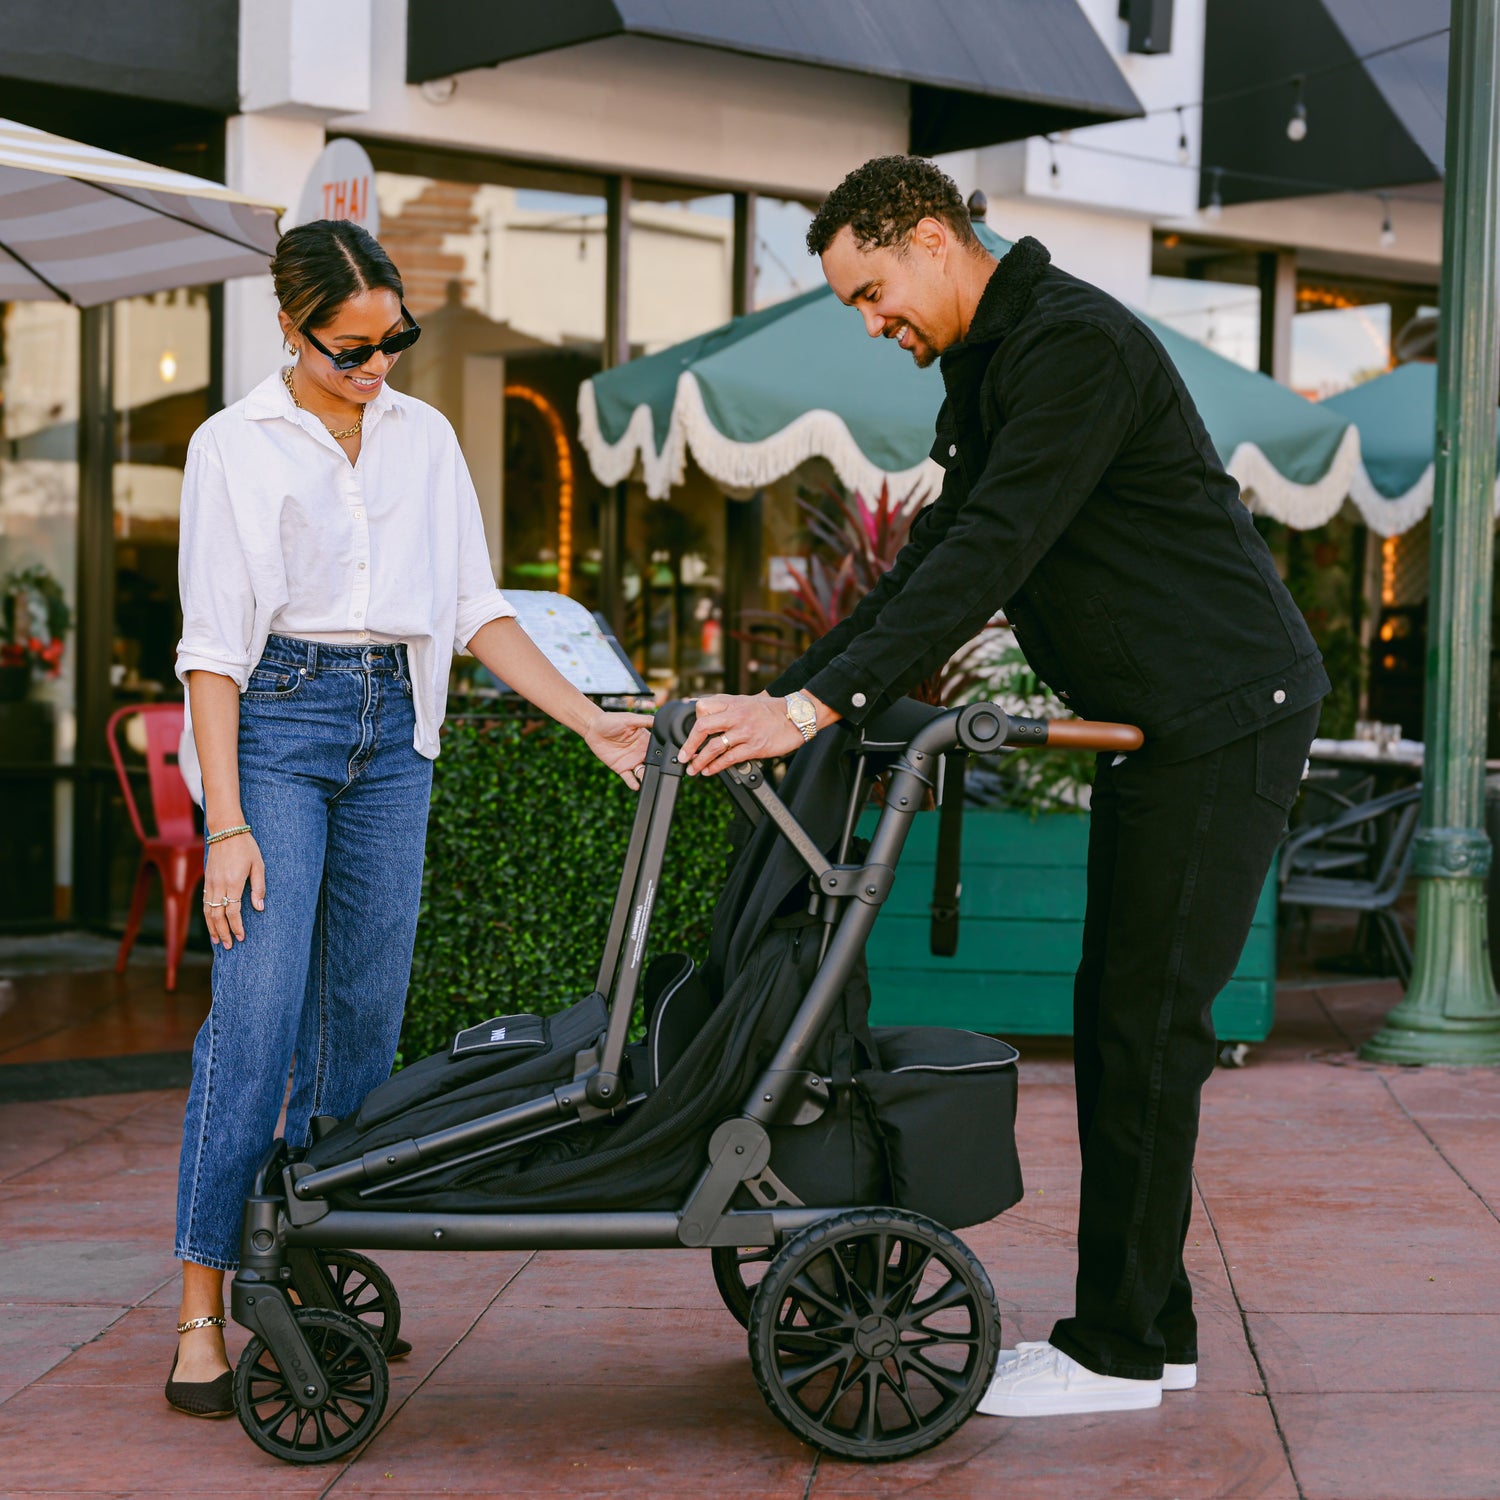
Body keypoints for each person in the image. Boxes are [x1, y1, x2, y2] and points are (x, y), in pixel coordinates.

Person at [677, 157, 1327, 1418]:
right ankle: (1160, 1331)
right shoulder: (995, 361)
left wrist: (812, 708)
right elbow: (932, 553)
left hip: (1224, 717)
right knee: (1123, 1022)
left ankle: (1119, 1354)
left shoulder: (1073, 345)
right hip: (1175, 729)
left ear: (928, 237)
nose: (874, 325)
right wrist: (788, 702)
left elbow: (991, 548)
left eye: (873, 292)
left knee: (1146, 1029)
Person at [167, 219, 651, 1417]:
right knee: (259, 1012)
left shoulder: (424, 438)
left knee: (361, 1025)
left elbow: (474, 610)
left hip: (399, 733)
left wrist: (589, 720)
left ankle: (314, 1283)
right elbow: (213, 655)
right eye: (350, 349)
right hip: (275, 721)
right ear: (290, 327)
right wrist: (226, 824)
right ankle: (201, 1309)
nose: (377, 368)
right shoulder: (233, 444)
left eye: (396, 343)